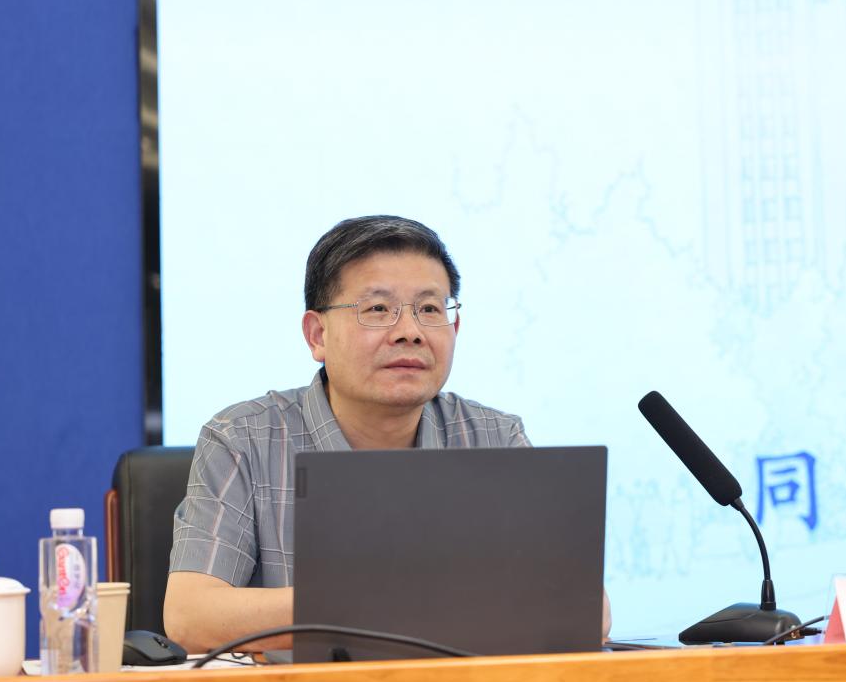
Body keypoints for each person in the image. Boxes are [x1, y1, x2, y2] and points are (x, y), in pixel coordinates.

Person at [163, 215, 609, 652]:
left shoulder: (495, 437)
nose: (410, 333)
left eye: (429, 309)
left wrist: (359, 609)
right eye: (378, 309)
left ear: (454, 328)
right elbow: (191, 617)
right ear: (317, 335)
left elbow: (585, 609)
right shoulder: (243, 439)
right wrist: (405, 606)